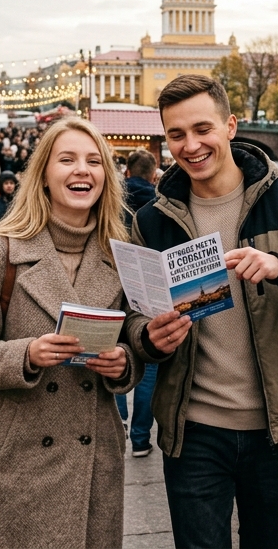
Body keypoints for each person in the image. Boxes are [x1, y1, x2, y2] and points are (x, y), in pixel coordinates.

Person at [124, 75, 278, 549]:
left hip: (275, 430)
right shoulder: (151, 220)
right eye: (176, 134)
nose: (190, 146)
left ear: (230, 126)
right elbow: (131, 316)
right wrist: (149, 337)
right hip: (193, 434)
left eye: (202, 129)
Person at [0, 117, 141, 548]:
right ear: (44, 175)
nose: (81, 170)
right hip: (14, 459)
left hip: (93, 460)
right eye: (67, 159)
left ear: (106, 178)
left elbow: (133, 344)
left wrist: (123, 364)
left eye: (94, 161)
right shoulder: (1, 251)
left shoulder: (121, 257)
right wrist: (27, 354)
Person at [117, 148, 161, 458]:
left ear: (127, 172)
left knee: (110, 357)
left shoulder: (111, 200)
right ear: (152, 173)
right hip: (148, 292)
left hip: (113, 288)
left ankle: (117, 417)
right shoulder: (160, 203)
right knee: (148, 371)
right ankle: (141, 438)